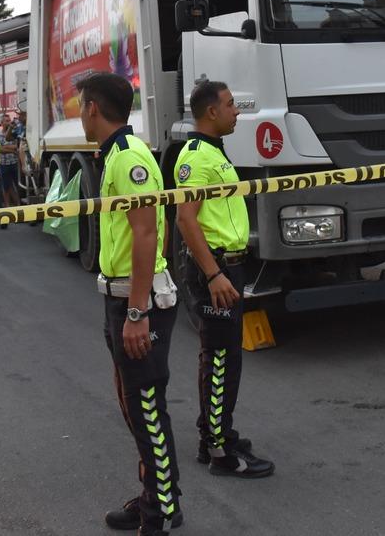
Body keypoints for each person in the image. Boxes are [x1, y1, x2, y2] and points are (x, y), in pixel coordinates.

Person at [77, 73, 182, 536]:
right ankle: (155, 497)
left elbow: (146, 233)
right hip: (119, 296)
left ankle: (161, 511)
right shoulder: (115, 156)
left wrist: (138, 313)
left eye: (81, 106)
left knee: (145, 407)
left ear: (93, 108)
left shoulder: (130, 158)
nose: (80, 114)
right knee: (134, 404)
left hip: (138, 302)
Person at [175, 81, 275, 478]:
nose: (237, 111)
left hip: (227, 267)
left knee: (225, 359)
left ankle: (214, 434)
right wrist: (213, 273)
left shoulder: (214, 152)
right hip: (214, 270)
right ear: (211, 112)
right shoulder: (196, 157)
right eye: (231, 105)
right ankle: (219, 452)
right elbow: (186, 219)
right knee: (220, 362)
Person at [0, 119, 21, 220]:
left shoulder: (14, 133)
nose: (8, 122)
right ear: (1, 123)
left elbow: (17, 146)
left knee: (17, 185)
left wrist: (7, 147)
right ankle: (7, 207)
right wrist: (12, 149)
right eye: (5, 121)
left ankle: (19, 206)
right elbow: (0, 149)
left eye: (8, 120)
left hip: (15, 163)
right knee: (6, 186)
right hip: (4, 164)